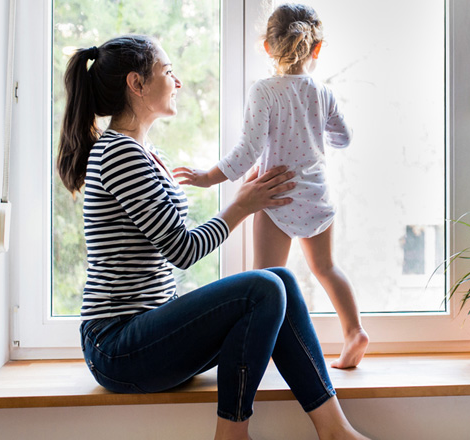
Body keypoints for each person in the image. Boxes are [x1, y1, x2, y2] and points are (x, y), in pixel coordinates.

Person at [56, 34, 369, 440]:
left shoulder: (146, 153)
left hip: (146, 333)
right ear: (136, 84)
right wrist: (242, 205)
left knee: (282, 281)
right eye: (167, 72)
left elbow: (170, 238)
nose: (178, 81)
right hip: (117, 346)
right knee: (263, 287)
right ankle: (232, 435)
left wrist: (248, 196)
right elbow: (182, 249)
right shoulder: (118, 154)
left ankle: (335, 431)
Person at [173, 3, 369, 369]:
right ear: (317, 48)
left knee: (264, 281)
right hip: (315, 194)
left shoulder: (263, 92)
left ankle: (263, 352)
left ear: (267, 46)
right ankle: (354, 331)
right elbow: (344, 137)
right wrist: (317, 130)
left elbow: (246, 153)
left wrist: (206, 177)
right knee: (326, 268)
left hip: (274, 195)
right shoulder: (321, 92)